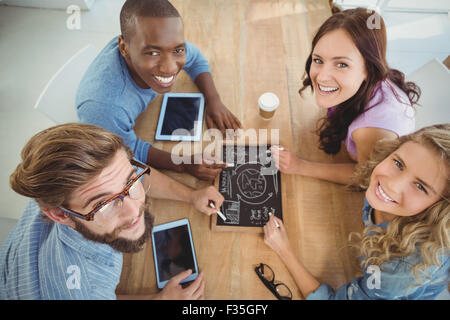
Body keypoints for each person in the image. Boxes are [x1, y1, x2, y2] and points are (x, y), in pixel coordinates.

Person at [0, 123, 224, 300]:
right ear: (60, 216)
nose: (134, 210)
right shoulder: (84, 288)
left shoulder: (64, 183)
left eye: (130, 182)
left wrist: (191, 195)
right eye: (103, 204)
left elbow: (133, 172)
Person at [264, 124, 449, 299]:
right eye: (399, 164)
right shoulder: (384, 183)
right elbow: (363, 174)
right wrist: (300, 166)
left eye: (420, 186)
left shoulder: (402, 267)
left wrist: (284, 250)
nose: (392, 184)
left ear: (438, 209)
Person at [76, 0, 241, 182]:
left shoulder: (163, 40)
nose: (170, 68)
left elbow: (196, 60)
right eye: (153, 53)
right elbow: (129, 154)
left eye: (177, 50)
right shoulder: (106, 107)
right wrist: (183, 163)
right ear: (124, 48)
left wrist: (213, 100)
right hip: (106, 131)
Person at [271, 8, 421, 185]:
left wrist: (300, 166)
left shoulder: (372, 131)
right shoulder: (358, 84)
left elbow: (365, 176)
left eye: (341, 64)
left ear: (369, 69)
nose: (321, 77)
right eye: (318, 60)